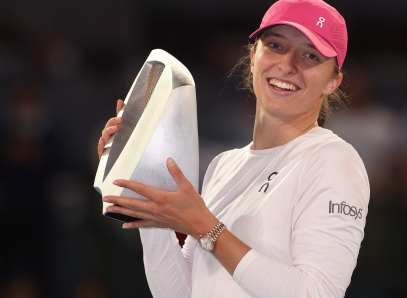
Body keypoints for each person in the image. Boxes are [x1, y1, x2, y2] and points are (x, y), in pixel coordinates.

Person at [97, 0, 369, 297]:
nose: (288, 65)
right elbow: (183, 293)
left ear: (333, 81)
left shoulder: (332, 161)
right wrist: (146, 195)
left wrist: (205, 227)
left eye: (310, 55)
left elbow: (316, 293)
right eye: (276, 46)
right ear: (253, 58)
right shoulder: (223, 165)